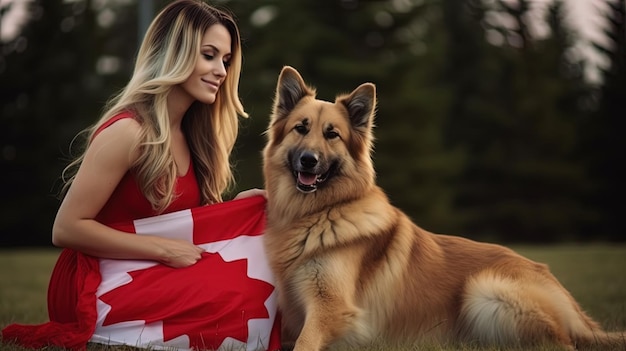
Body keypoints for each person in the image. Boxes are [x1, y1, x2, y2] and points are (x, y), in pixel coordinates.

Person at [2, 1, 280, 350]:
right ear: (173, 54)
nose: (221, 71)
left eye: (225, 60)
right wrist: (161, 249)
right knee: (234, 292)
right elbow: (67, 227)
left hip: (159, 270)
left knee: (261, 266)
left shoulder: (197, 139)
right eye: (209, 55)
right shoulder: (128, 132)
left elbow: (188, 229)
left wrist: (236, 209)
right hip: (96, 279)